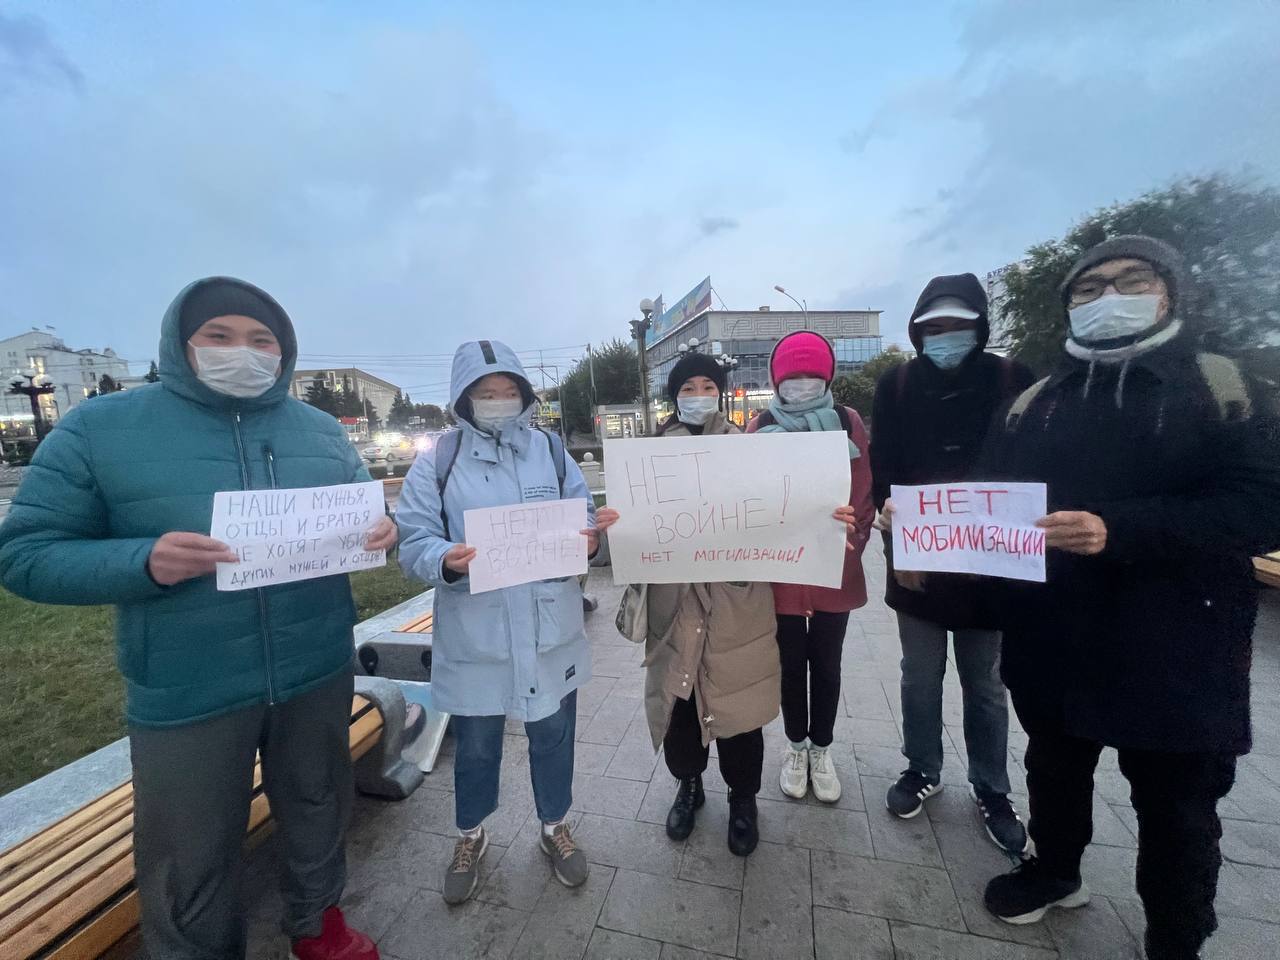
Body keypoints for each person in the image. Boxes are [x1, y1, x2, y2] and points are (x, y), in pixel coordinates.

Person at [0, 277, 396, 960]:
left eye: (262, 340)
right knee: (189, 845)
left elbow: (366, 509)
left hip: (314, 667)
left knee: (317, 803)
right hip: (188, 686)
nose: (242, 351)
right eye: (219, 335)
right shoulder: (100, 429)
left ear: (284, 351)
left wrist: (382, 528)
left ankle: (317, 923)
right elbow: (25, 553)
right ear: (180, 345)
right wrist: (142, 561)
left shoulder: (320, 430)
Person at [976, 236, 1280, 959]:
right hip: (1054, 636)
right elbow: (991, 498)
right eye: (1089, 289)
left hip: (1179, 644)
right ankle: (1054, 871)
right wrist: (921, 522)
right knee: (1054, 770)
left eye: (1132, 280)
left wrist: (1121, 530)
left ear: (1171, 291)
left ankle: (1176, 935)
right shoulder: (1036, 402)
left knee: (1177, 808)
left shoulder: (1225, 387)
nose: (1109, 298)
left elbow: (1262, 505)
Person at [396, 339, 610, 905]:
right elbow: (413, 540)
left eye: (508, 391)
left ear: (525, 394)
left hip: (548, 629)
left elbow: (584, 518)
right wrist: (445, 559)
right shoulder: (438, 461)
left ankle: (554, 825)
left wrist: (590, 541)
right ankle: (470, 833)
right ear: (464, 399)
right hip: (478, 632)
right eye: (485, 393)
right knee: (476, 743)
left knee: (554, 733)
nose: (498, 401)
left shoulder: (551, 452)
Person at [870, 274, 1033, 852]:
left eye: (957, 326)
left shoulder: (1014, 379)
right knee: (919, 676)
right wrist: (896, 544)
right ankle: (922, 768)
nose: (944, 337)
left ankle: (992, 788)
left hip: (990, 568)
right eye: (933, 327)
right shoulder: (896, 385)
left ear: (980, 327)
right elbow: (883, 470)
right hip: (918, 564)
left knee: (985, 684)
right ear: (917, 331)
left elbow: (1032, 467)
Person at [620, 351, 781, 856]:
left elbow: (779, 512)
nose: (698, 396)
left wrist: (824, 517)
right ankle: (688, 785)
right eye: (688, 388)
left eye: (708, 387)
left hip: (736, 603)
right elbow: (635, 526)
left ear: (720, 393)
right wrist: (613, 526)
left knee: (739, 706)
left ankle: (743, 798)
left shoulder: (747, 450)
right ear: (675, 397)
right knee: (680, 704)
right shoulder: (649, 457)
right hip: (674, 604)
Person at [747, 330, 874, 803]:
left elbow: (863, 490)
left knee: (826, 664)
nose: (802, 386)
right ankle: (795, 747)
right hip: (781, 575)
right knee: (788, 665)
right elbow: (748, 493)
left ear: (828, 378)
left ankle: (822, 749)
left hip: (832, 571)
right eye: (792, 378)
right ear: (776, 381)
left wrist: (851, 538)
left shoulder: (847, 421)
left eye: (812, 378)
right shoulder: (759, 427)